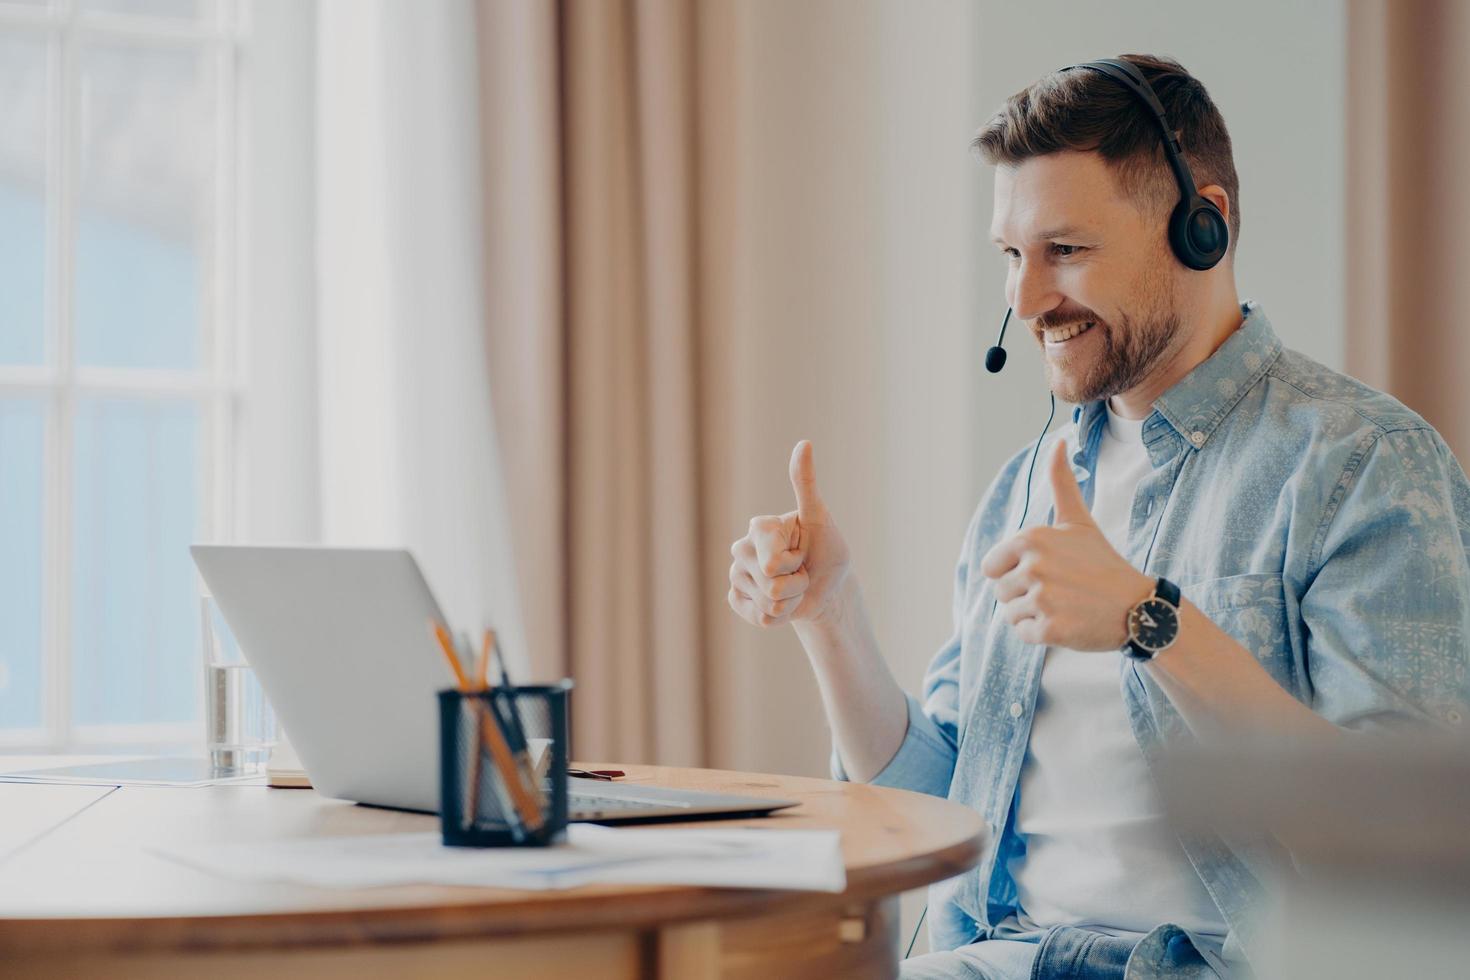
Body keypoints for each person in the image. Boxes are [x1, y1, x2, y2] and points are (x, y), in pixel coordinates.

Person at [727, 54, 1470, 980]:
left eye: (1065, 251)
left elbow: (1403, 841)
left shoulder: (1361, 464)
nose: (1026, 300)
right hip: (998, 961)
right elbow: (943, 806)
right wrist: (830, 617)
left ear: (1204, 225)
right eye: (1011, 254)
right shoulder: (1024, 488)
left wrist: (1147, 622)